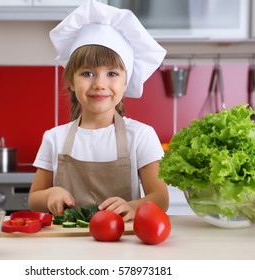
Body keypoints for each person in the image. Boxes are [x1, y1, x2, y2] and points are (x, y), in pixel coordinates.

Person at [28, 0, 169, 221]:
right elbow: (34, 198)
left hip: (122, 243)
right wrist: (50, 194)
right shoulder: (54, 138)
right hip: (67, 245)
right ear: (71, 81)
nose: (99, 84)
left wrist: (132, 207)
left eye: (112, 74)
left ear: (126, 82)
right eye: (87, 73)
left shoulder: (141, 136)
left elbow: (160, 197)